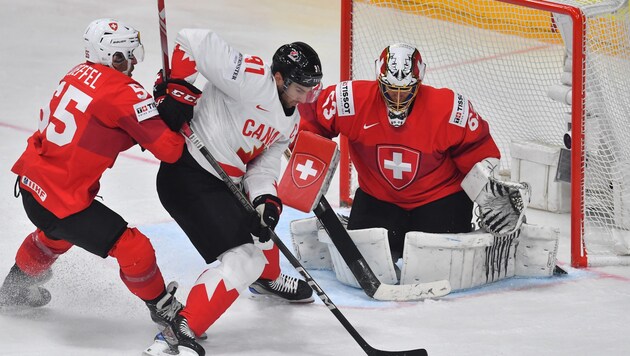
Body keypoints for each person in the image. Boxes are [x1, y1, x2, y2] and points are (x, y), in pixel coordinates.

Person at [0, 18, 187, 334]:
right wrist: (173, 110)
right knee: (133, 247)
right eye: (128, 55)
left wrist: (151, 112)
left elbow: (105, 128)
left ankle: (14, 288)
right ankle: (164, 310)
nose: (132, 63)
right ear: (113, 57)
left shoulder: (77, 72)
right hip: (62, 201)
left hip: (33, 187)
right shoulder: (125, 92)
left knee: (55, 234)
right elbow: (170, 151)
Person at [152, 28, 322, 355]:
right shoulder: (251, 77)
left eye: (309, 92)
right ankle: (179, 332)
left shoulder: (290, 123)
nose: (304, 99)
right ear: (278, 78)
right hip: (189, 174)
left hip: (223, 182)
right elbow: (191, 39)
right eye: (300, 89)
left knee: (262, 230)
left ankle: (267, 279)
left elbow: (263, 168)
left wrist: (265, 200)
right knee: (244, 259)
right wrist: (180, 91)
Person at [297, 43, 529, 264]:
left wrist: (491, 197)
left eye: (405, 91)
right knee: (369, 252)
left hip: (439, 199)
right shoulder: (349, 100)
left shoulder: (449, 108)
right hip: (380, 198)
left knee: (436, 260)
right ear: (379, 80)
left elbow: (479, 150)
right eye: (390, 89)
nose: (397, 98)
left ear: (419, 83)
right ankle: (360, 223)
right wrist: (306, 161)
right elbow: (310, 118)